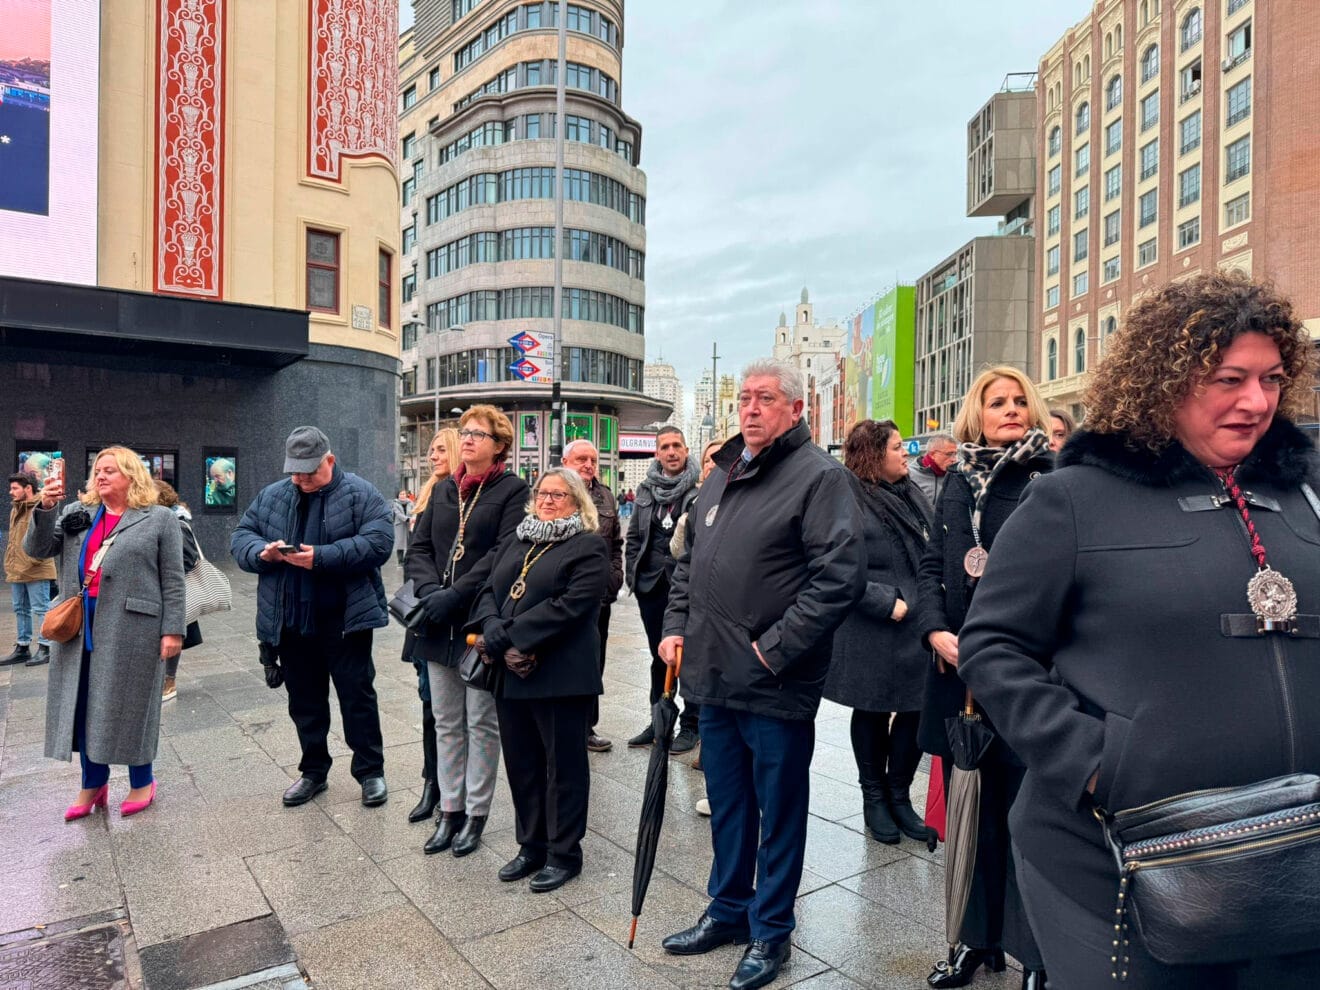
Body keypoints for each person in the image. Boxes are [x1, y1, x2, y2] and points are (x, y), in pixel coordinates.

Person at [959, 271, 1320, 989]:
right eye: (1230, 378)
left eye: (1273, 379)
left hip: (1296, 861)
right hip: (1114, 864)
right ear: (1165, 380)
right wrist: (1098, 763)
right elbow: (993, 645)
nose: (1257, 401)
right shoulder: (1072, 498)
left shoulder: (1306, 494)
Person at [659, 360, 865, 990]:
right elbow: (690, 562)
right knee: (727, 805)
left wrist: (775, 649)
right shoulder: (722, 475)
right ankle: (728, 910)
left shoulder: (820, 478)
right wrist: (675, 626)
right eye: (744, 398)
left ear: (796, 410)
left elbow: (839, 578)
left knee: (778, 814)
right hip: (713, 675)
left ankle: (771, 928)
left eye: (765, 399)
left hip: (775, 681)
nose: (750, 408)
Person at [914, 367, 1052, 989]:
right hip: (961, 676)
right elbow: (930, 566)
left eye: (1021, 400)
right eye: (998, 402)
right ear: (977, 413)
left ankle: (1037, 957)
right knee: (973, 816)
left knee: (1028, 819)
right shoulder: (956, 483)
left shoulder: (1050, 478)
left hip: (1027, 675)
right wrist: (933, 628)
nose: (1012, 410)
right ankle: (977, 942)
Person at [230, 426, 392, 809]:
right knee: (304, 700)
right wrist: (261, 552)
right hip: (289, 619)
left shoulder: (360, 493)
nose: (301, 479)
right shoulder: (273, 495)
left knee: (357, 696)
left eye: (309, 471)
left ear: (330, 461)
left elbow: (379, 542)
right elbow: (241, 536)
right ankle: (313, 772)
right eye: (295, 472)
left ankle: (371, 772)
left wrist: (323, 556)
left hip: (345, 618)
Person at [26, 447, 185, 819]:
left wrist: (172, 630)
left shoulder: (159, 519)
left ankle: (142, 781)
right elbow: (36, 550)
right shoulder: (76, 514)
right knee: (81, 705)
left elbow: (173, 579)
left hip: (135, 626)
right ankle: (92, 785)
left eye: (110, 470)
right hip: (78, 626)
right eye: (97, 470)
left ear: (132, 476)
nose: (100, 476)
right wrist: (45, 509)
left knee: (132, 706)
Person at [470, 467, 608, 893]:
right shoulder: (519, 537)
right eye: (543, 493)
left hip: (560, 674)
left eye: (559, 495)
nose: (548, 501)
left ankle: (564, 853)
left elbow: (572, 606)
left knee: (563, 767)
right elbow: (489, 588)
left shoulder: (588, 545)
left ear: (577, 502)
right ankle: (530, 845)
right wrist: (493, 629)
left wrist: (508, 635)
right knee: (523, 763)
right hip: (510, 672)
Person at [405, 405, 527, 856]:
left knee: (481, 721)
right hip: (437, 623)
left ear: (499, 445)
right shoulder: (443, 489)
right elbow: (417, 548)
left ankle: (476, 814)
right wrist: (429, 589)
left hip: (477, 620)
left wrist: (454, 595)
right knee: (446, 721)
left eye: (479, 433)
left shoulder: (513, 490)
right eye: (465, 432)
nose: (469, 439)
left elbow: (502, 555)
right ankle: (449, 810)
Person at [823, 420, 933, 845]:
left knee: (915, 708)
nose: (905, 453)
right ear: (873, 454)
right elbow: (833, 563)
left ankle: (899, 795)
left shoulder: (910, 492)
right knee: (871, 710)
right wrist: (884, 601)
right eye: (897, 447)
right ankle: (874, 796)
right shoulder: (846, 496)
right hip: (872, 623)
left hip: (917, 625)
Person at [624, 426, 701, 753]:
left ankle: (691, 725)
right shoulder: (645, 491)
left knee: (688, 657)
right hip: (650, 586)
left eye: (677, 446)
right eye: (665, 447)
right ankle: (659, 721)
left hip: (685, 587)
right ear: (657, 453)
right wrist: (633, 575)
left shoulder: (699, 492)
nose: (671, 452)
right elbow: (633, 539)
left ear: (685, 451)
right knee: (660, 655)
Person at [400, 426, 461, 825]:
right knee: (428, 704)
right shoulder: (426, 493)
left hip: (449, 610)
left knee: (448, 709)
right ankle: (431, 783)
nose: (432, 455)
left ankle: (448, 788)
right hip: (421, 608)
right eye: (431, 449)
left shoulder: (457, 495)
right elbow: (413, 554)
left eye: (441, 449)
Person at [561, 439, 623, 754]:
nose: (588, 465)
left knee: (593, 663)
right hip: (560, 599)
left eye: (593, 460)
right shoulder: (553, 494)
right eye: (581, 459)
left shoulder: (607, 497)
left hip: (598, 599)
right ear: (565, 461)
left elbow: (616, 545)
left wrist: (614, 579)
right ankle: (562, 726)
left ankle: (587, 726)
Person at [153, 481, 203, 702]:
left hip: (170, 589)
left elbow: (188, 557)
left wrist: (160, 567)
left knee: (171, 631)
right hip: (155, 589)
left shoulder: (176, 521)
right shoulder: (152, 518)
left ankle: (168, 680)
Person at [4, 472, 57, 667]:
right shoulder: (15, 509)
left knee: (41, 608)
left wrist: (32, 560)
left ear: (28, 488)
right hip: (17, 569)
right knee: (20, 609)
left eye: (15, 488)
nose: (11, 492)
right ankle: (23, 647)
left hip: (36, 569)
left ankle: (46, 647)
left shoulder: (40, 506)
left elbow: (46, 537)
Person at [908, 433, 957, 507]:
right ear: (932, 454)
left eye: (955, 454)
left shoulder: (955, 475)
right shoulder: (909, 475)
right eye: (949, 454)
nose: (954, 459)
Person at [391, 491, 412, 566]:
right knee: (400, 544)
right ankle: (400, 561)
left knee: (410, 542)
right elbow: (398, 514)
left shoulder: (410, 503)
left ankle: (408, 560)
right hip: (399, 525)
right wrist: (407, 519)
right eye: (401, 494)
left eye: (404, 494)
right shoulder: (395, 503)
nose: (402, 495)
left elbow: (413, 511)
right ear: (398, 495)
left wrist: (412, 519)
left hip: (409, 524)